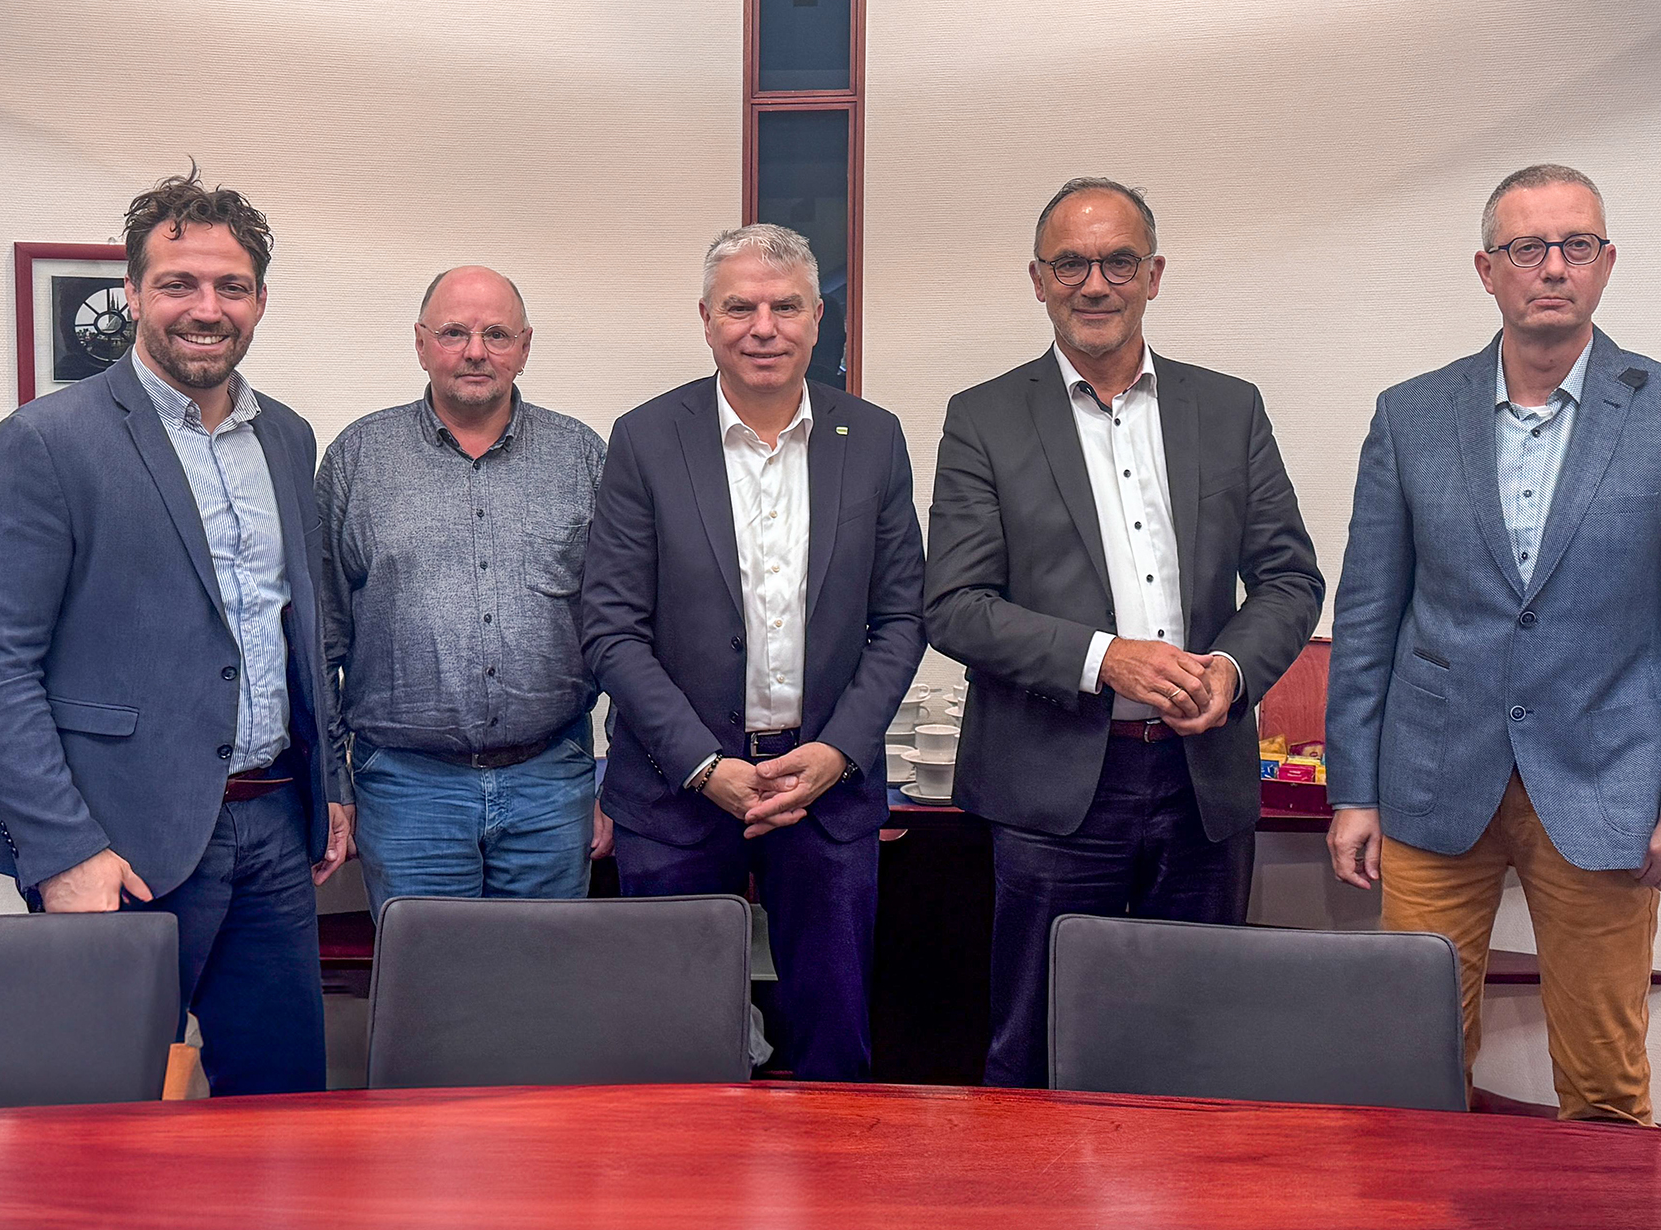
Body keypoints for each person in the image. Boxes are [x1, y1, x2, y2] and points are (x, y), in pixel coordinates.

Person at [0, 172, 348, 1096]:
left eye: (231, 286)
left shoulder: (287, 436)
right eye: (179, 284)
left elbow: (297, 627)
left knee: (285, 1110)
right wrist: (63, 850)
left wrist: (330, 780)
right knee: (102, 1116)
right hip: (116, 839)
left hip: (275, 827)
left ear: (259, 301)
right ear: (132, 292)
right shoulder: (46, 441)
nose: (206, 308)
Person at [925, 178, 1322, 1088]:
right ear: (1038, 278)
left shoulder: (1229, 408)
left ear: (1154, 275)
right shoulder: (983, 417)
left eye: (1118, 262)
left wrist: (1229, 666)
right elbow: (952, 602)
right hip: (1054, 788)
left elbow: (1291, 576)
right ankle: (1035, 1227)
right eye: (1071, 262)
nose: (1094, 282)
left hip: (1202, 778)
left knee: (1197, 1041)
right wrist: (1107, 658)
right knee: (1035, 1046)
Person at [1327, 163, 1661, 1124]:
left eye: (1576, 246)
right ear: (1486, 268)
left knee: (1603, 1085)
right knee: (1411, 1070)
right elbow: (1368, 614)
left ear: (1606, 264)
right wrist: (1354, 789)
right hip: (1433, 782)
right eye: (1527, 248)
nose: (1552, 267)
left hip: (1607, 786)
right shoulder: (1411, 413)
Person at [582, 224, 925, 1082]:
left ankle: (827, 1207)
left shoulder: (874, 438)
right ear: (706, 319)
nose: (762, 326)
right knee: (672, 1041)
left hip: (826, 792)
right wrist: (705, 763)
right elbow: (610, 629)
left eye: (784, 307)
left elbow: (902, 617)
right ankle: (684, 1213)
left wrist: (837, 752)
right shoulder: (646, 438)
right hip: (675, 793)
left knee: (835, 1038)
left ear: (818, 319)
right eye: (740, 306)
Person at [318, 267, 609, 919]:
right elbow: (322, 637)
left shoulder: (582, 456)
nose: (476, 350)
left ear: (525, 346)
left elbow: (625, 628)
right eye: (454, 332)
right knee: (428, 999)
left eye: (496, 333)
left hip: (550, 784)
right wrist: (334, 783)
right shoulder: (358, 459)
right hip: (405, 788)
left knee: (541, 991)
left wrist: (615, 789)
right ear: (421, 344)